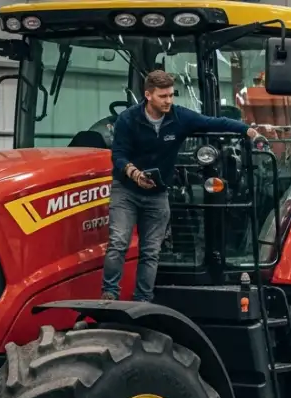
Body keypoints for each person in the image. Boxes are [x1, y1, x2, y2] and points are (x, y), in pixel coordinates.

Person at [103, 69, 259, 303]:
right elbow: (119, 155)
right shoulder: (128, 119)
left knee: (151, 251)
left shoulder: (179, 118)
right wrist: (134, 174)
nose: (168, 101)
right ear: (148, 95)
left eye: (170, 96)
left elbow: (213, 123)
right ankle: (110, 294)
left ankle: (142, 300)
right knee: (118, 242)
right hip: (127, 191)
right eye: (162, 96)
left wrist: (246, 130)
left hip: (157, 193)